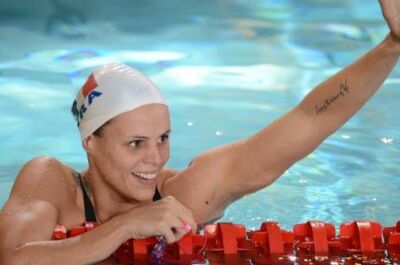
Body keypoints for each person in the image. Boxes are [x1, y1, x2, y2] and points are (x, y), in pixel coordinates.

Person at [1, 1, 399, 264]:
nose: (155, 159)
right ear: (90, 142)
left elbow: (308, 119)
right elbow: (11, 258)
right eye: (135, 143)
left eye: (163, 138)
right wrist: (125, 226)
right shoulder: (51, 181)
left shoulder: (184, 195)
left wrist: (392, 46)